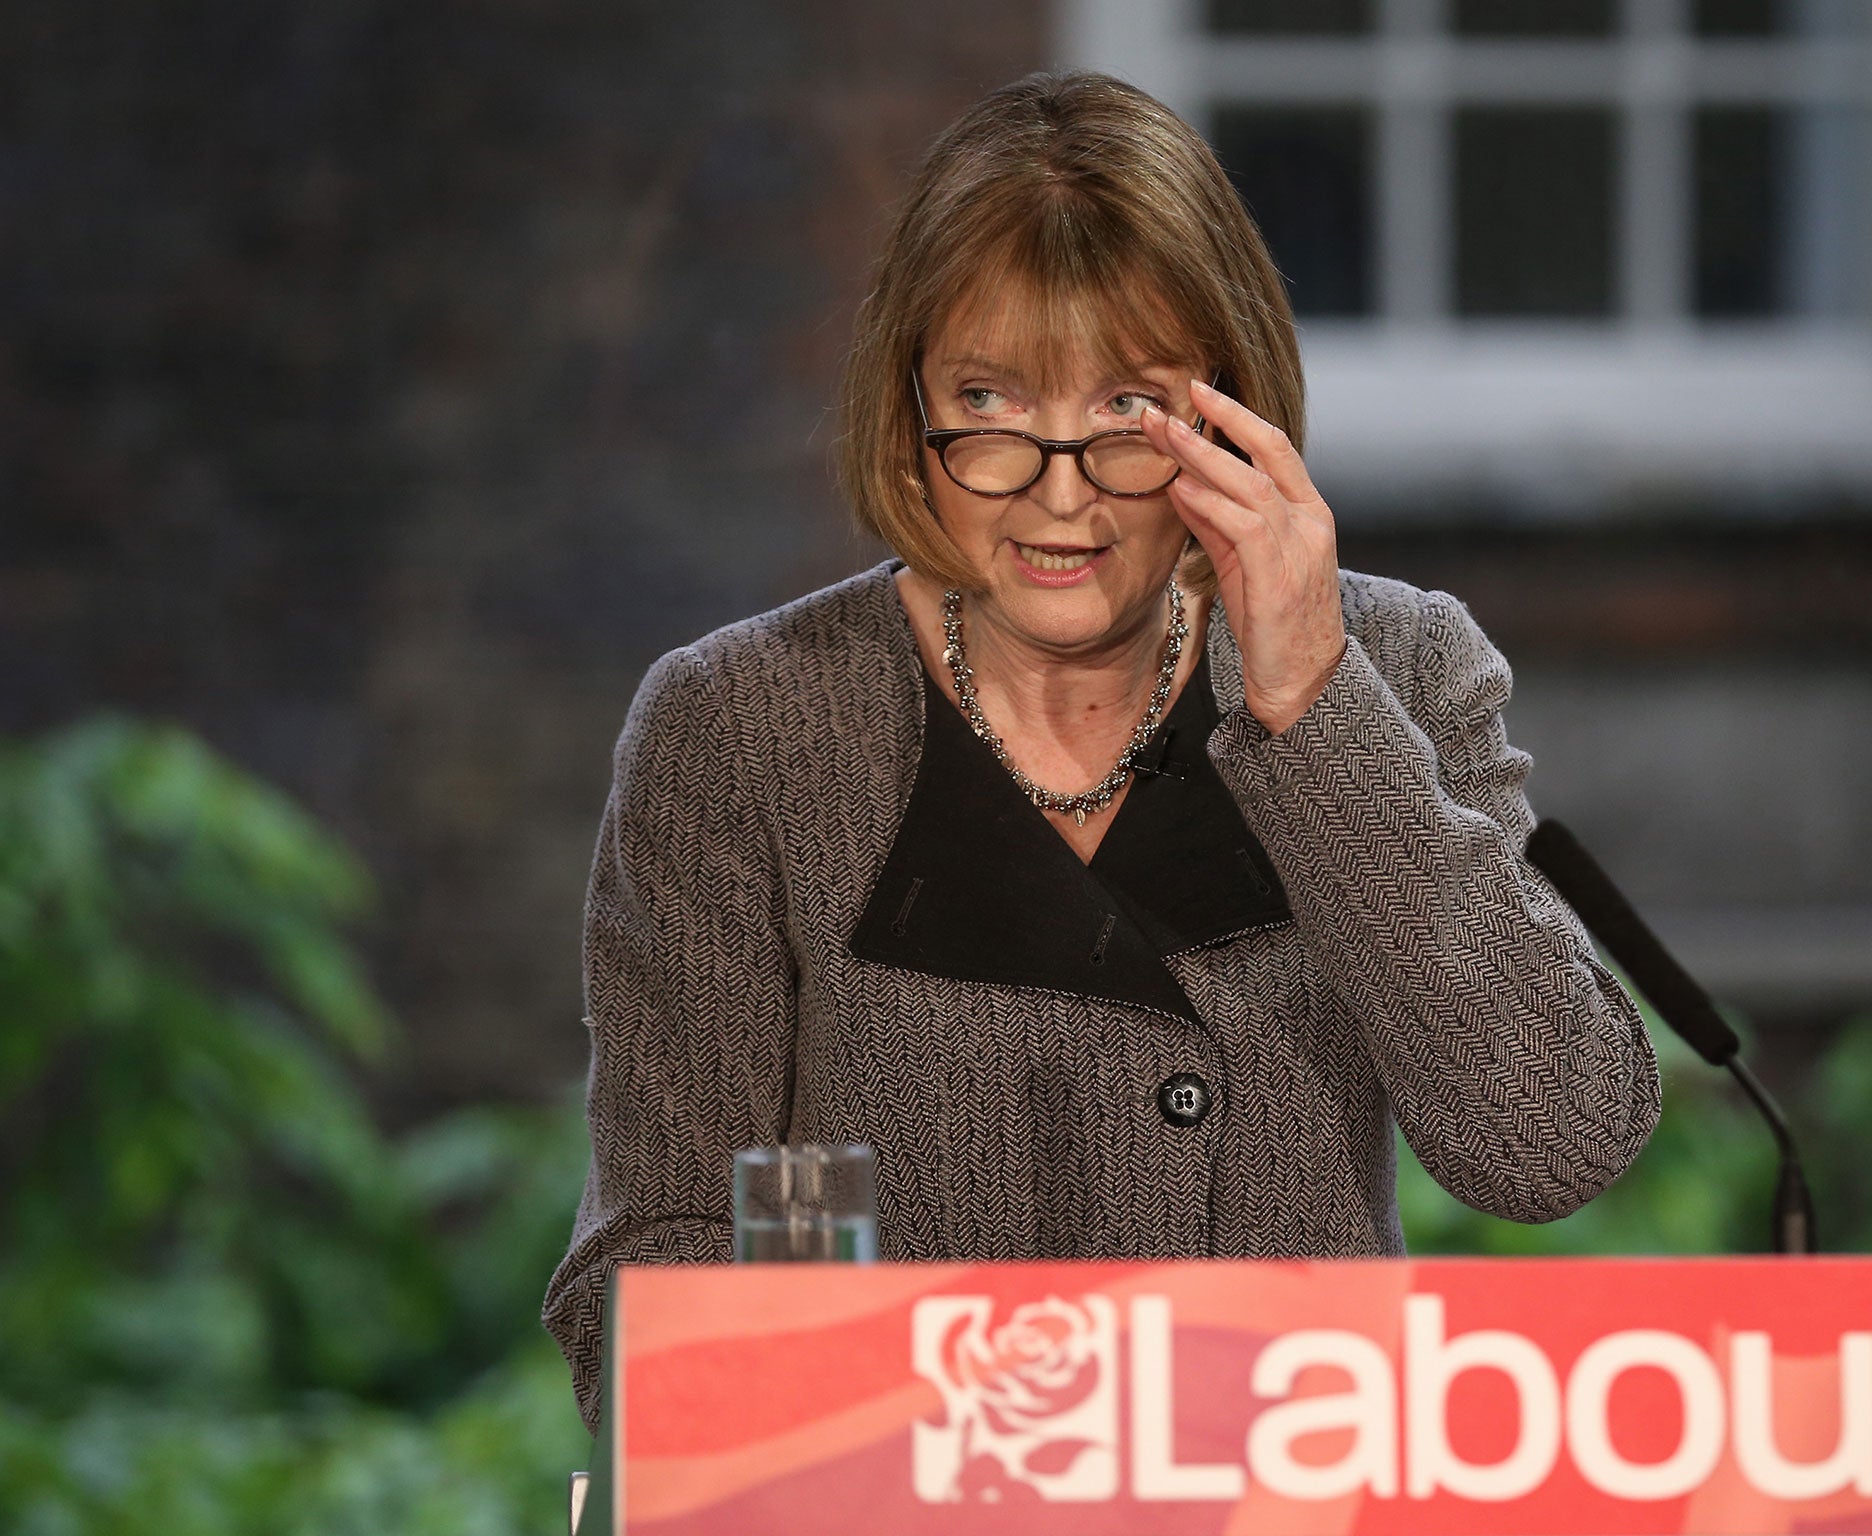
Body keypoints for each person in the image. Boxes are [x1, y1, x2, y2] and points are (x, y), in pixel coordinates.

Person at [543, 70, 1660, 1434]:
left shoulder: (1395, 669)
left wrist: (1311, 703)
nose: (1058, 495)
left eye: (1129, 412)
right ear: (911, 405)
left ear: (1230, 415)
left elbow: (1545, 1145)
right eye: (991, 403)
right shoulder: (741, 725)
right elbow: (649, 1264)